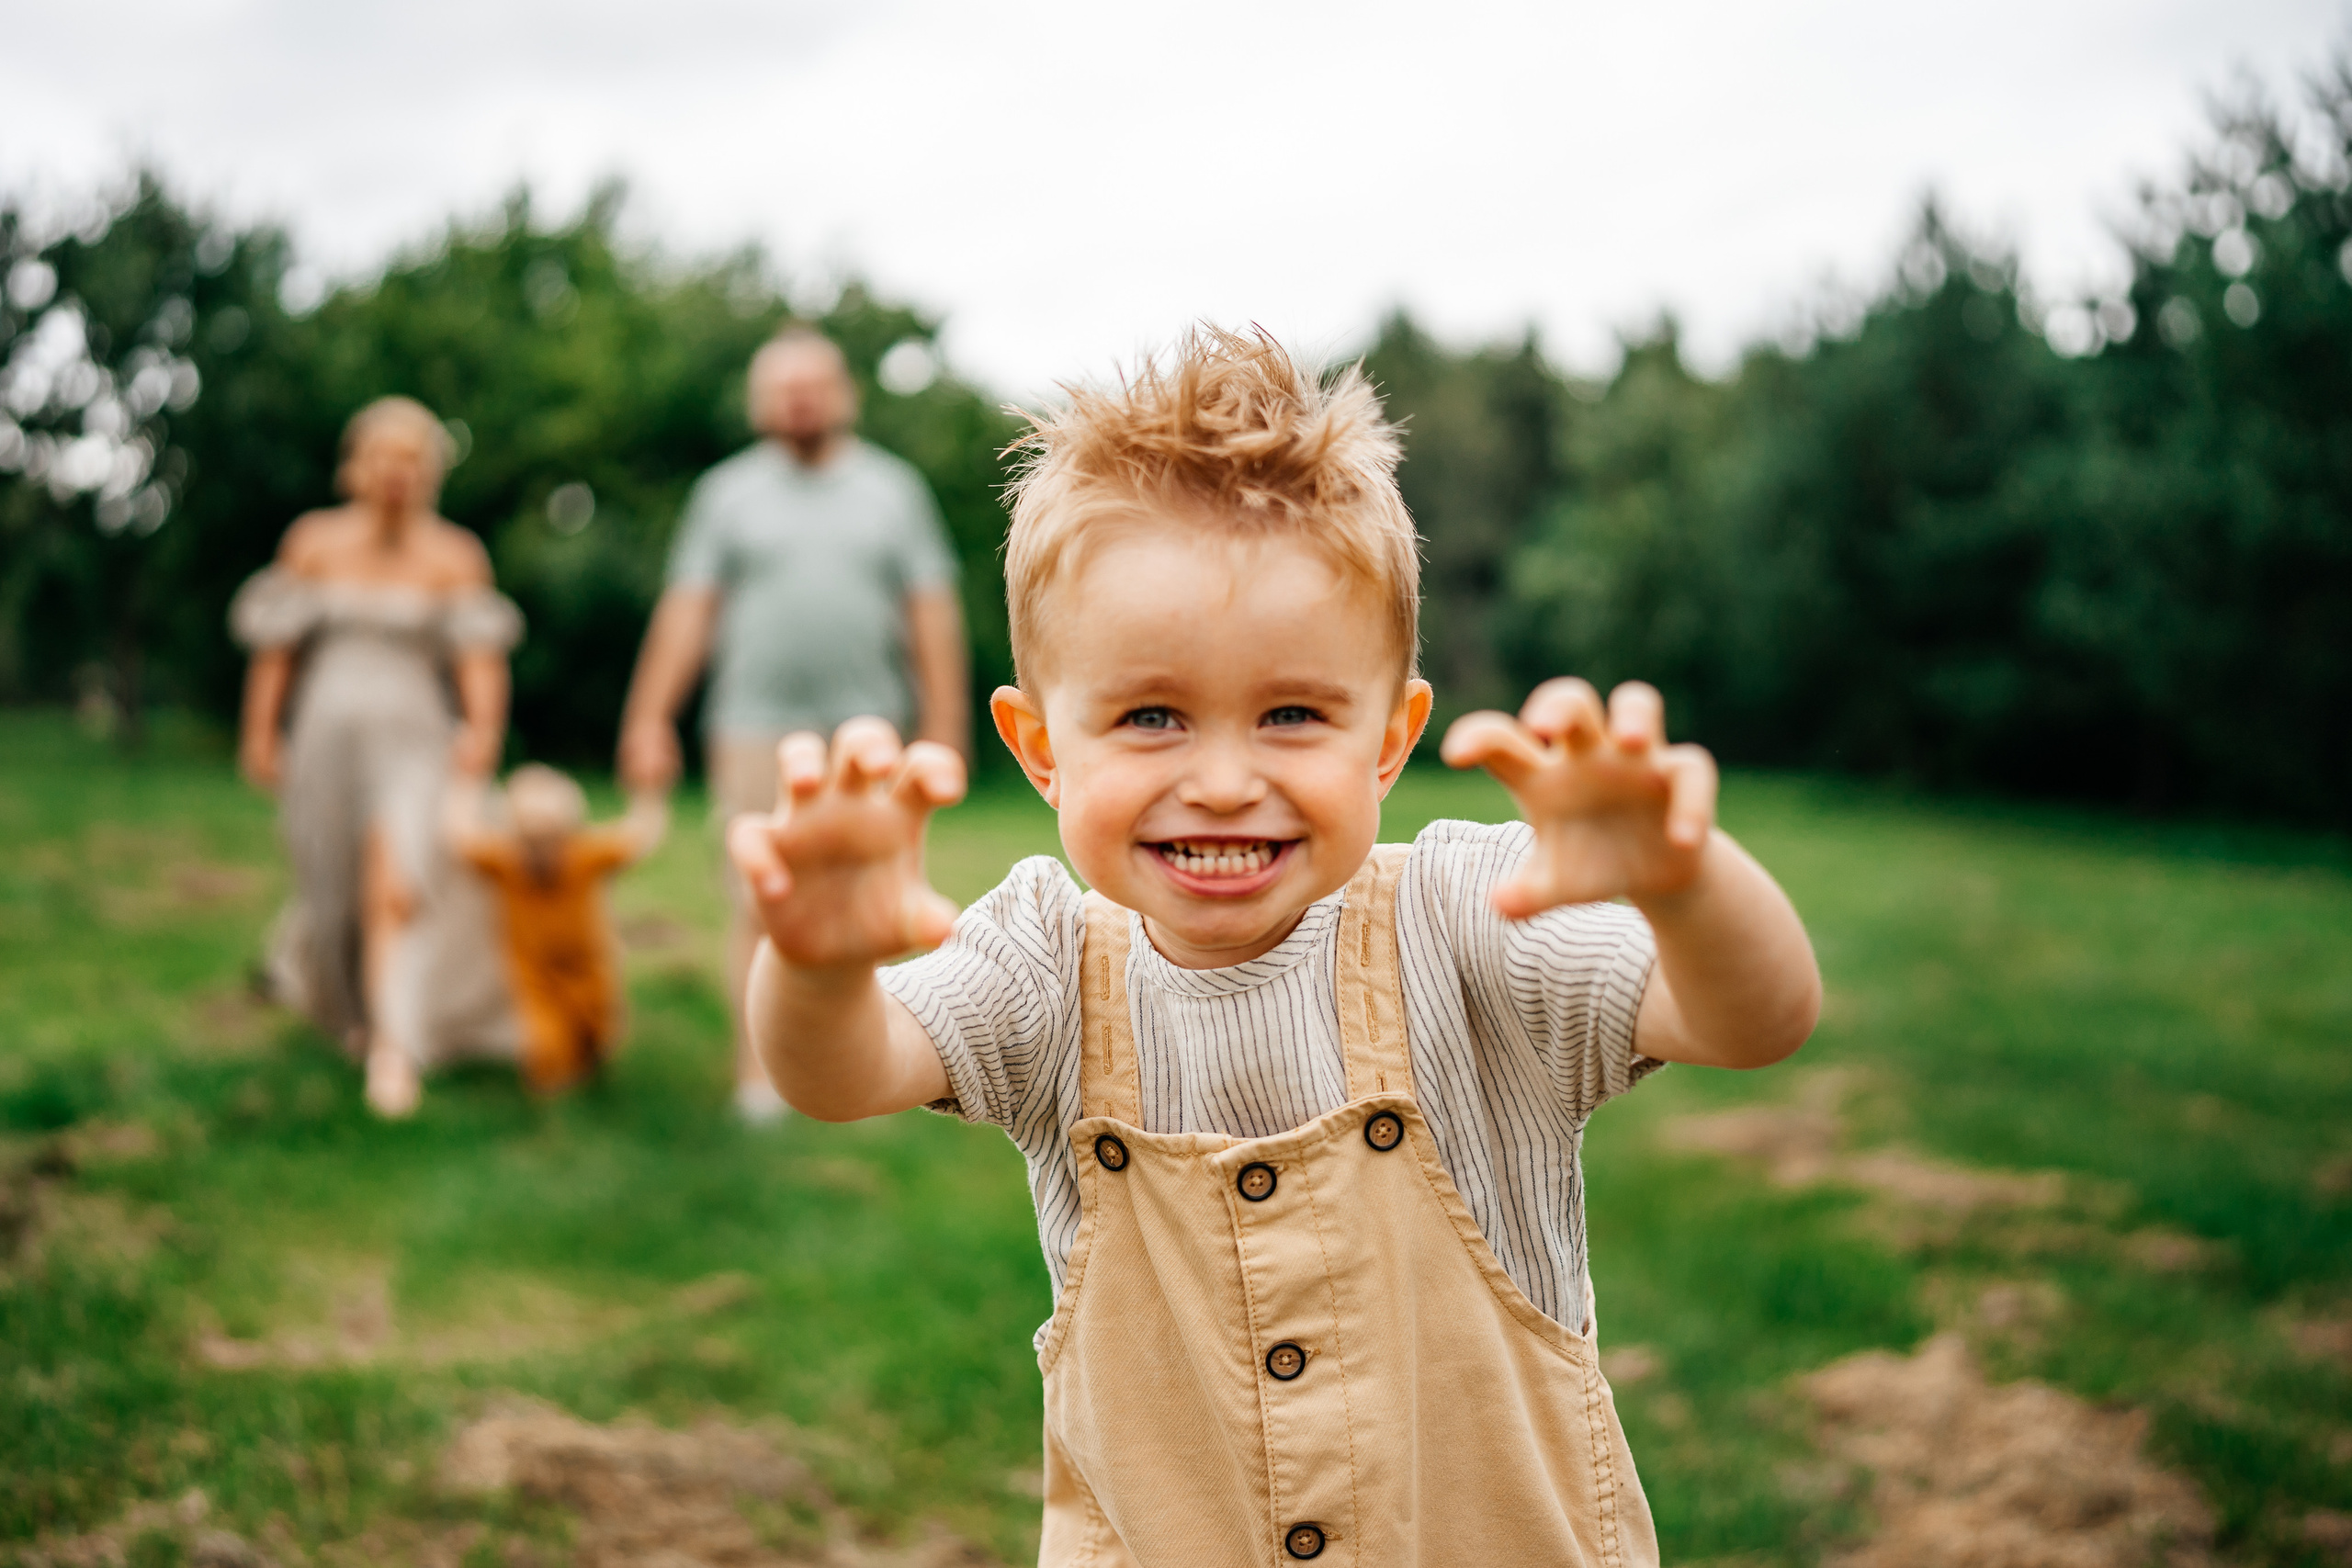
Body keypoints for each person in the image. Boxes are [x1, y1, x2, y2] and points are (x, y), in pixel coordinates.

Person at [725, 327, 1823, 1563]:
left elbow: (1754, 1016)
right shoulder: (1041, 962)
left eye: (1293, 712)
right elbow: (838, 1072)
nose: (1226, 778)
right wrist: (815, 964)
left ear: (1391, 737)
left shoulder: (1471, 919)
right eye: (1150, 715)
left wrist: (1685, 883)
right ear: (1040, 748)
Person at [617, 326, 969, 1122]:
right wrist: (648, 717)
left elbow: (932, 613)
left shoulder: (894, 490)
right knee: (759, 892)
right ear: (758, 401)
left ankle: (871, 1070)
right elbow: (687, 613)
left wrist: (945, 723)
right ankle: (759, 1080)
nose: (800, 396)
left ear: (844, 393)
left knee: (870, 897)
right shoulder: (726, 495)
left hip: (868, 732)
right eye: (783, 384)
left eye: (814, 381)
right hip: (752, 727)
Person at [232, 396, 524, 1119]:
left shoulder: (456, 554)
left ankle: (398, 1044)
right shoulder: (314, 541)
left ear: (432, 473)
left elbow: (480, 661)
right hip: (325, 735)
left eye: (415, 459)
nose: (399, 472)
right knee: (330, 893)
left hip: (415, 738)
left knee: (399, 881)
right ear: (355, 467)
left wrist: (483, 731)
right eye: (385, 457)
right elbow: (277, 654)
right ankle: (353, 1016)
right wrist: (260, 731)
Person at [447, 765, 668, 1094]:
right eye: (530, 842)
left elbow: (639, 838)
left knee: (599, 1033)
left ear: (570, 831)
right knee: (546, 1044)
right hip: (535, 973)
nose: (541, 853)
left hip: (589, 967)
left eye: (551, 841)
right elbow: (461, 839)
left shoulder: (585, 854)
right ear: (514, 835)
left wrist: (649, 791)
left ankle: (591, 1063)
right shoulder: (505, 862)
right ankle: (552, 1097)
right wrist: (467, 785)